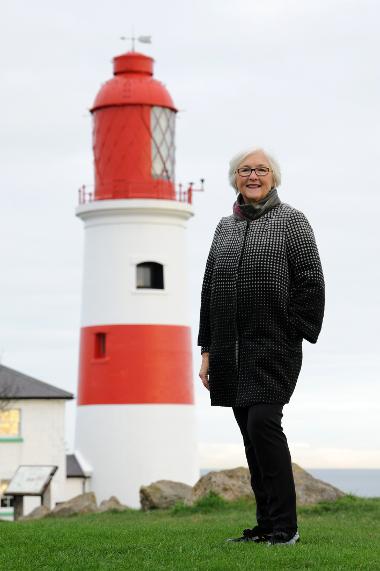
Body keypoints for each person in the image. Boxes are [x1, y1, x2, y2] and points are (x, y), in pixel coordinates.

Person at [198, 147, 325, 546]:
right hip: (229, 353)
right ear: (235, 178)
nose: (253, 176)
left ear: (274, 177)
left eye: (262, 170)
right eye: (245, 170)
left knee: (263, 425)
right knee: (250, 438)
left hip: (275, 347)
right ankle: (266, 526)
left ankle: (286, 527)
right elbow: (209, 292)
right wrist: (207, 351)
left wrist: (292, 328)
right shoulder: (224, 227)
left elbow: (311, 282)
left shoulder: (292, 222)